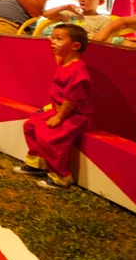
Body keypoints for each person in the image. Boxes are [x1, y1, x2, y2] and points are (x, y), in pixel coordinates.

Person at [15, 24, 92, 189]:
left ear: (75, 46)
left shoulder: (76, 69)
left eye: (58, 39)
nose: (53, 42)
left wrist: (59, 117)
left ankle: (61, 177)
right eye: (53, 37)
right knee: (30, 126)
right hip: (56, 108)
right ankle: (38, 164)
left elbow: (73, 98)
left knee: (51, 139)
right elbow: (57, 57)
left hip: (73, 114)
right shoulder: (65, 61)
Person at [42, 0, 112, 38]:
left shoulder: (103, 20)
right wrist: (66, 7)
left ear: (100, 2)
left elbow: (105, 41)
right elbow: (46, 14)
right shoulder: (70, 14)